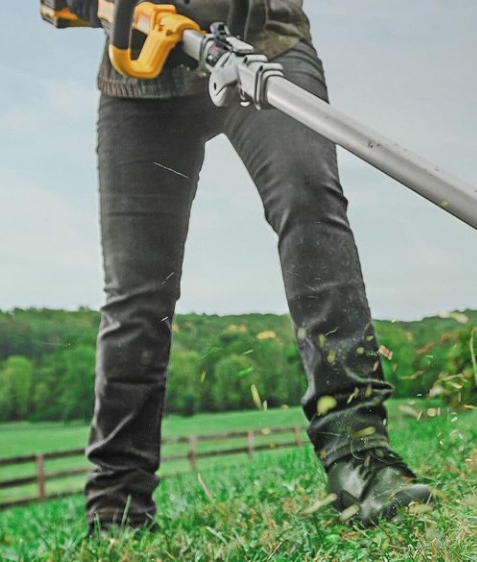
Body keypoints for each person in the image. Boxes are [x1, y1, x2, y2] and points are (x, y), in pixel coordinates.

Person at [66, 0, 434, 535]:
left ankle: (360, 456)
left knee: (309, 207)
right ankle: (116, 504)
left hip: (262, 44)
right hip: (141, 68)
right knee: (137, 290)